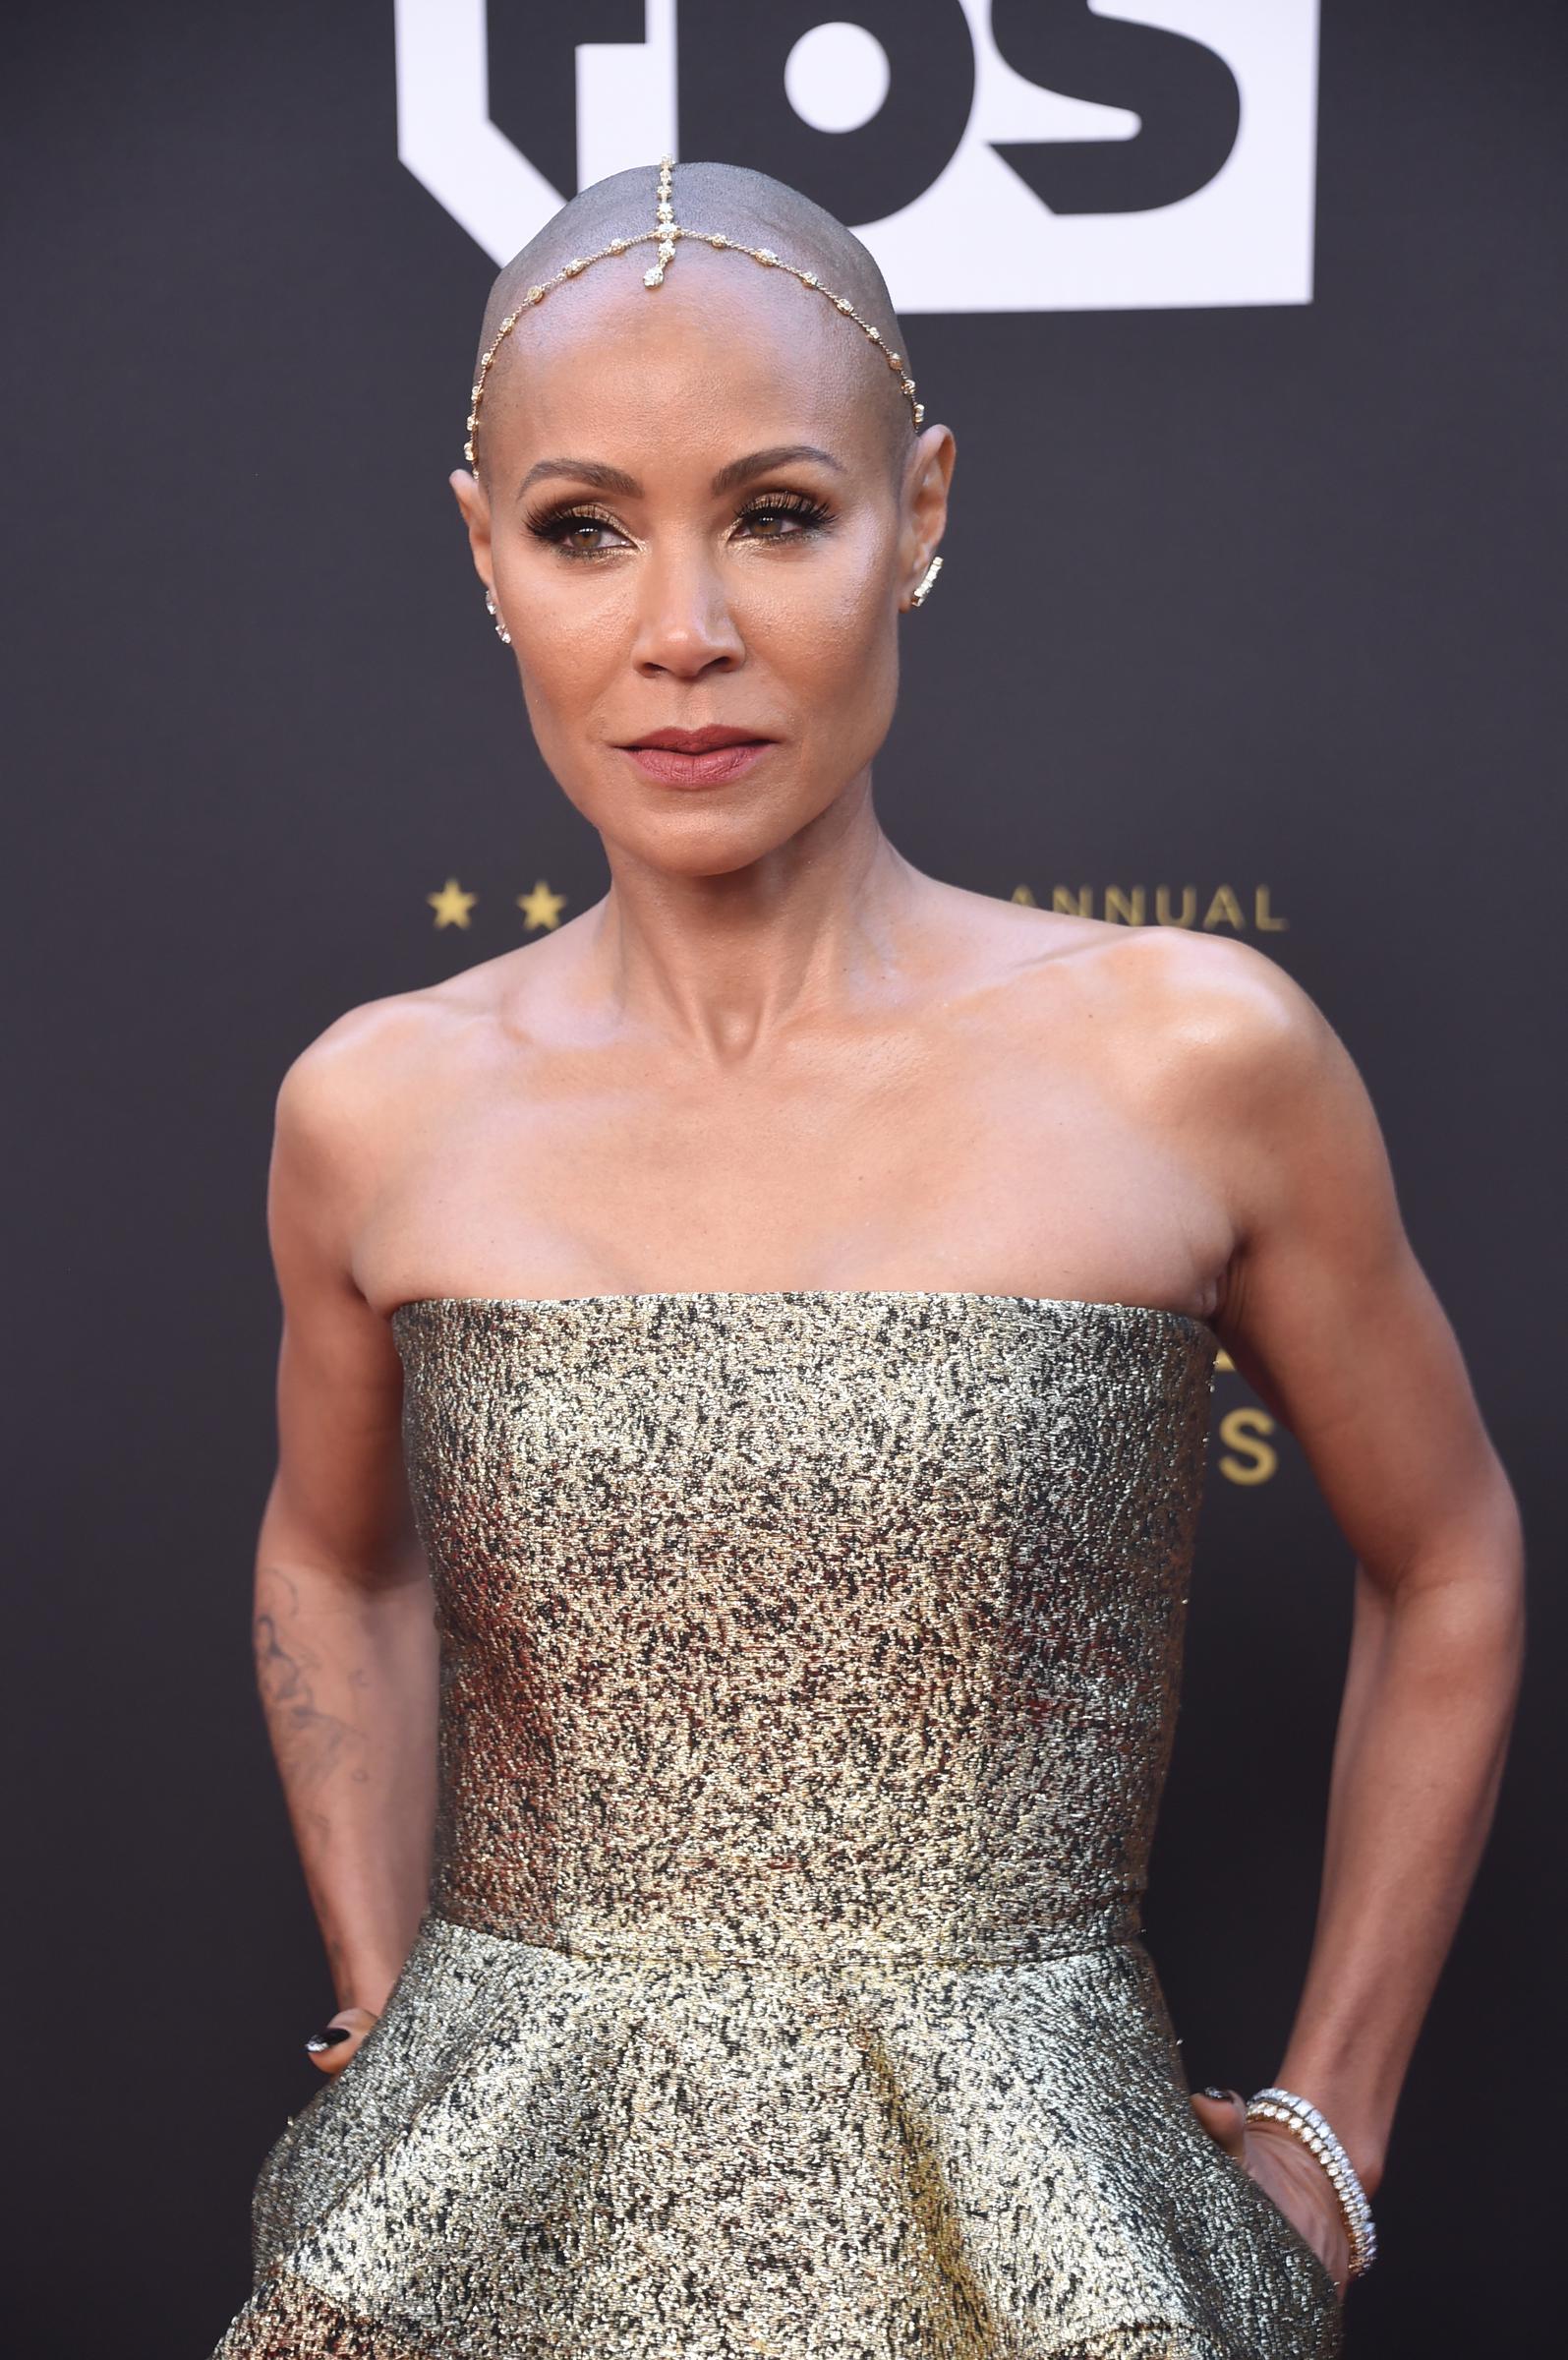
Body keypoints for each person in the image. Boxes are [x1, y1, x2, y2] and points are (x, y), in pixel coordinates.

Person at [210, 159, 1524, 2358]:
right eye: (585, 528)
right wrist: (393, 1981)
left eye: (782, 513)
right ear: (485, 560)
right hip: (476, 2224)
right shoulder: (378, 1104)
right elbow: (334, 1565)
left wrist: (1329, 2134)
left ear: (919, 515)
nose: (683, 631)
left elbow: (1453, 1555)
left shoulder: (1199, 1057)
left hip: (1052, 2249)